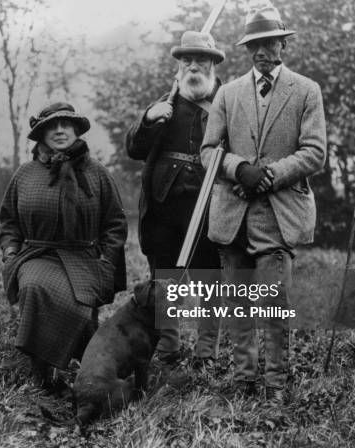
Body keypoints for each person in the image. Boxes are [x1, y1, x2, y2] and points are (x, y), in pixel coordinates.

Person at [200, 1, 327, 404]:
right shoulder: (228, 93)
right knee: (237, 305)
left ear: (283, 45)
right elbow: (208, 151)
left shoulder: (306, 90)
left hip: (278, 214)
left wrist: (269, 175)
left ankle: (276, 385)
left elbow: (314, 152)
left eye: (269, 42)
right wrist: (239, 169)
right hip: (232, 214)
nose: (261, 52)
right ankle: (243, 381)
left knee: (273, 304)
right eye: (253, 44)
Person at [0, 102, 127, 389]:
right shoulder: (25, 174)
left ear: (75, 130)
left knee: (79, 305)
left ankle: (85, 371)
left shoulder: (97, 173)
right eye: (51, 127)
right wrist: (10, 252)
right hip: (37, 254)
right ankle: (41, 374)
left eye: (65, 125)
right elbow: (8, 222)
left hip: (85, 256)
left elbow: (116, 223)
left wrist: (106, 260)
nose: (59, 131)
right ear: (41, 135)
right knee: (34, 287)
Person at [125, 31, 225, 371]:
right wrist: (149, 120)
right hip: (163, 207)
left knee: (209, 280)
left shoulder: (228, 102)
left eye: (201, 60)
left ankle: (206, 353)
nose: (194, 66)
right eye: (187, 61)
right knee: (165, 278)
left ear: (213, 64)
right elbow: (134, 149)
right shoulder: (163, 104)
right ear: (179, 67)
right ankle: (168, 348)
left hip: (210, 205)